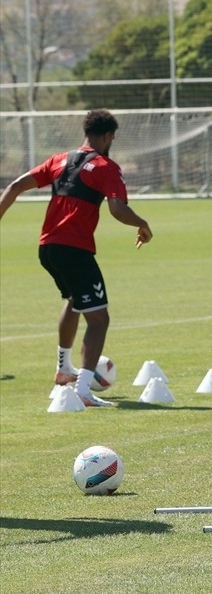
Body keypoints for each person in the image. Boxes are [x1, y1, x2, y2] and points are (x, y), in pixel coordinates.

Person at [0, 109, 152, 407]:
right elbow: (118, 209)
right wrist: (142, 224)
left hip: (47, 247)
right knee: (99, 319)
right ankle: (83, 388)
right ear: (108, 136)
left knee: (73, 300)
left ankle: (62, 369)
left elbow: (14, 186)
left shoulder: (60, 159)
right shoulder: (107, 166)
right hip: (74, 249)